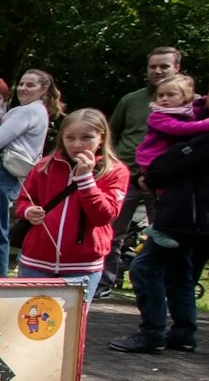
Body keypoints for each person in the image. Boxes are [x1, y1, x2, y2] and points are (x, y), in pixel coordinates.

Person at [111, 71, 209, 354]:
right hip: (199, 213)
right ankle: (183, 332)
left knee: (144, 269)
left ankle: (152, 332)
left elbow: (176, 160)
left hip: (187, 211)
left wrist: (151, 176)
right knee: (180, 272)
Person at [12, 110, 129, 302]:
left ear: (101, 138)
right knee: (30, 324)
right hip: (37, 261)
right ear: (62, 138)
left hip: (83, 266)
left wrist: (85, 179)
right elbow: (23, 201)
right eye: (70, 138)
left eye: (86, 138)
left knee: (71, 328)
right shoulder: (44, 166)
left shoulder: (115, 171)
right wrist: (28, 211)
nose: (77, 144)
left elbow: (104, 216)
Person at [0, 70, 61, 277]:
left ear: (43, 89)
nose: (23, 89)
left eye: (31, 85)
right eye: (22, 84)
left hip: (1, 172)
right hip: (0, 172)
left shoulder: (28, 111)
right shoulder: (31, 111)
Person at [103, 47, 183, 290]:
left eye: (164, 66)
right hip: (126, 173)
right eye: (153, 66)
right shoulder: (131, 100)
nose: (157, 71)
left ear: (176, 68)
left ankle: (159, 283)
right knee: (112, 230)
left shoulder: (188, 103)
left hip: (163, 178)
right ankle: (107, 282)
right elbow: (111, 133)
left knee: (166, 233)